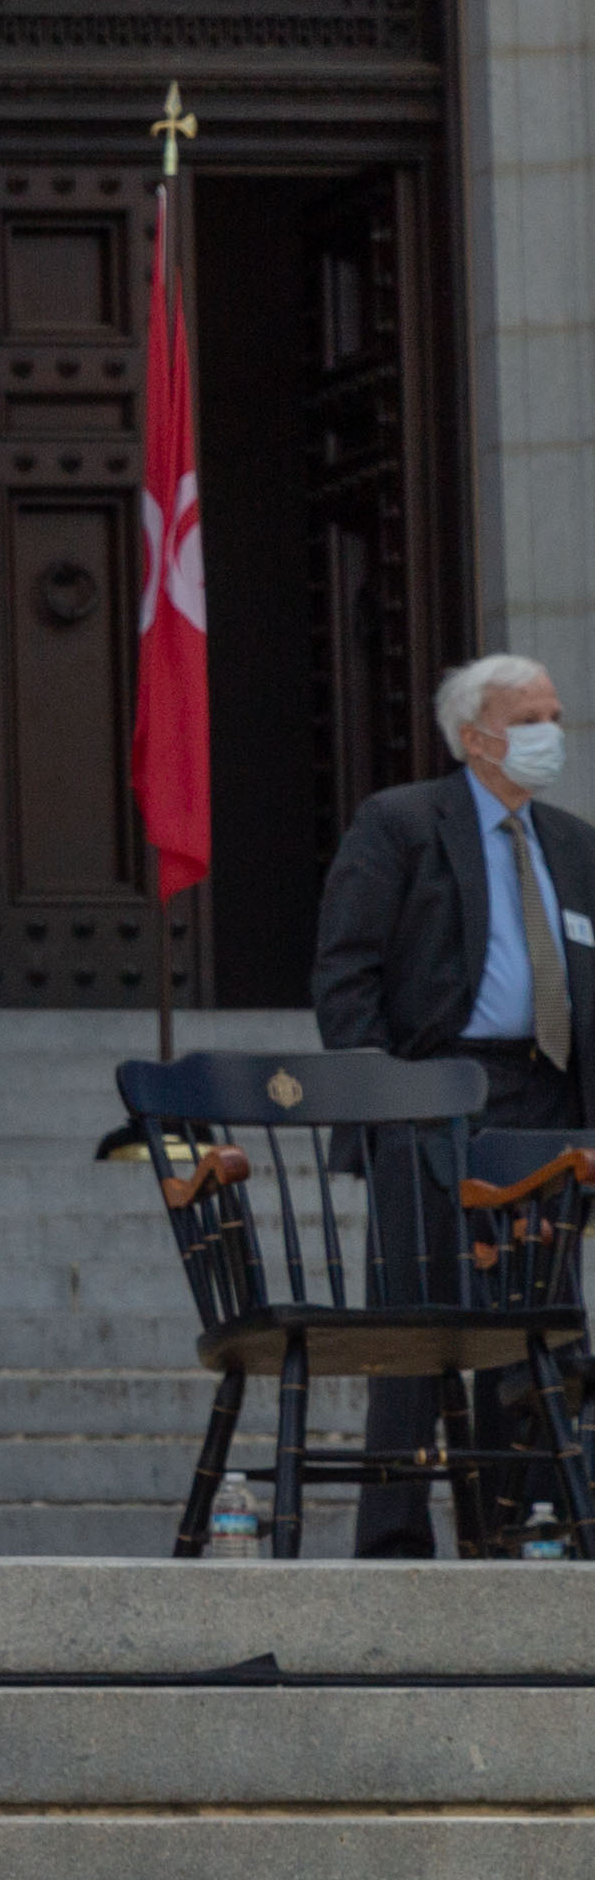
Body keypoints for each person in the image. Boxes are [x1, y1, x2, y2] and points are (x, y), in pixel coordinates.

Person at [310, 653, 593, 1555]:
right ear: (477, 737)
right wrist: (387, 1101)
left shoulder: (576, 843)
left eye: (556, 713)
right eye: (532, 716)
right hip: (432, 1097)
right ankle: (395, 1539)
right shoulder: (400, 824)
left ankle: (522, 1529)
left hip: (545, 1099)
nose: (554, 732)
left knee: (537, 1328)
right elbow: (346, 972)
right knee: (418, 1327)